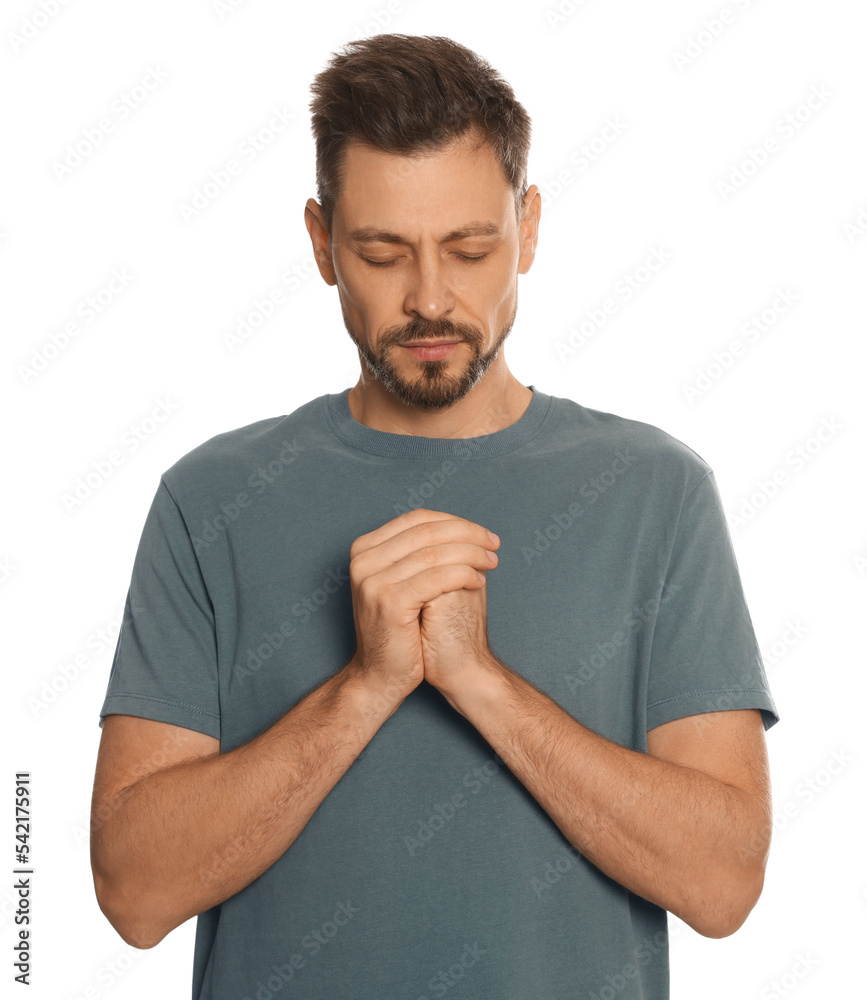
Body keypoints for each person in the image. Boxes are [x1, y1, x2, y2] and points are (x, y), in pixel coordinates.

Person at [90, 33, 779, 1000]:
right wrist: (368, 685)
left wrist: (477, 682)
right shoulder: (210, 499)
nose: (427, 299)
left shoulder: (654, 492)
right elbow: (133, 893)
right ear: (321, 244)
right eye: (381, 252)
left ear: (528, 229)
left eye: (469, 248)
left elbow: (722, 885)